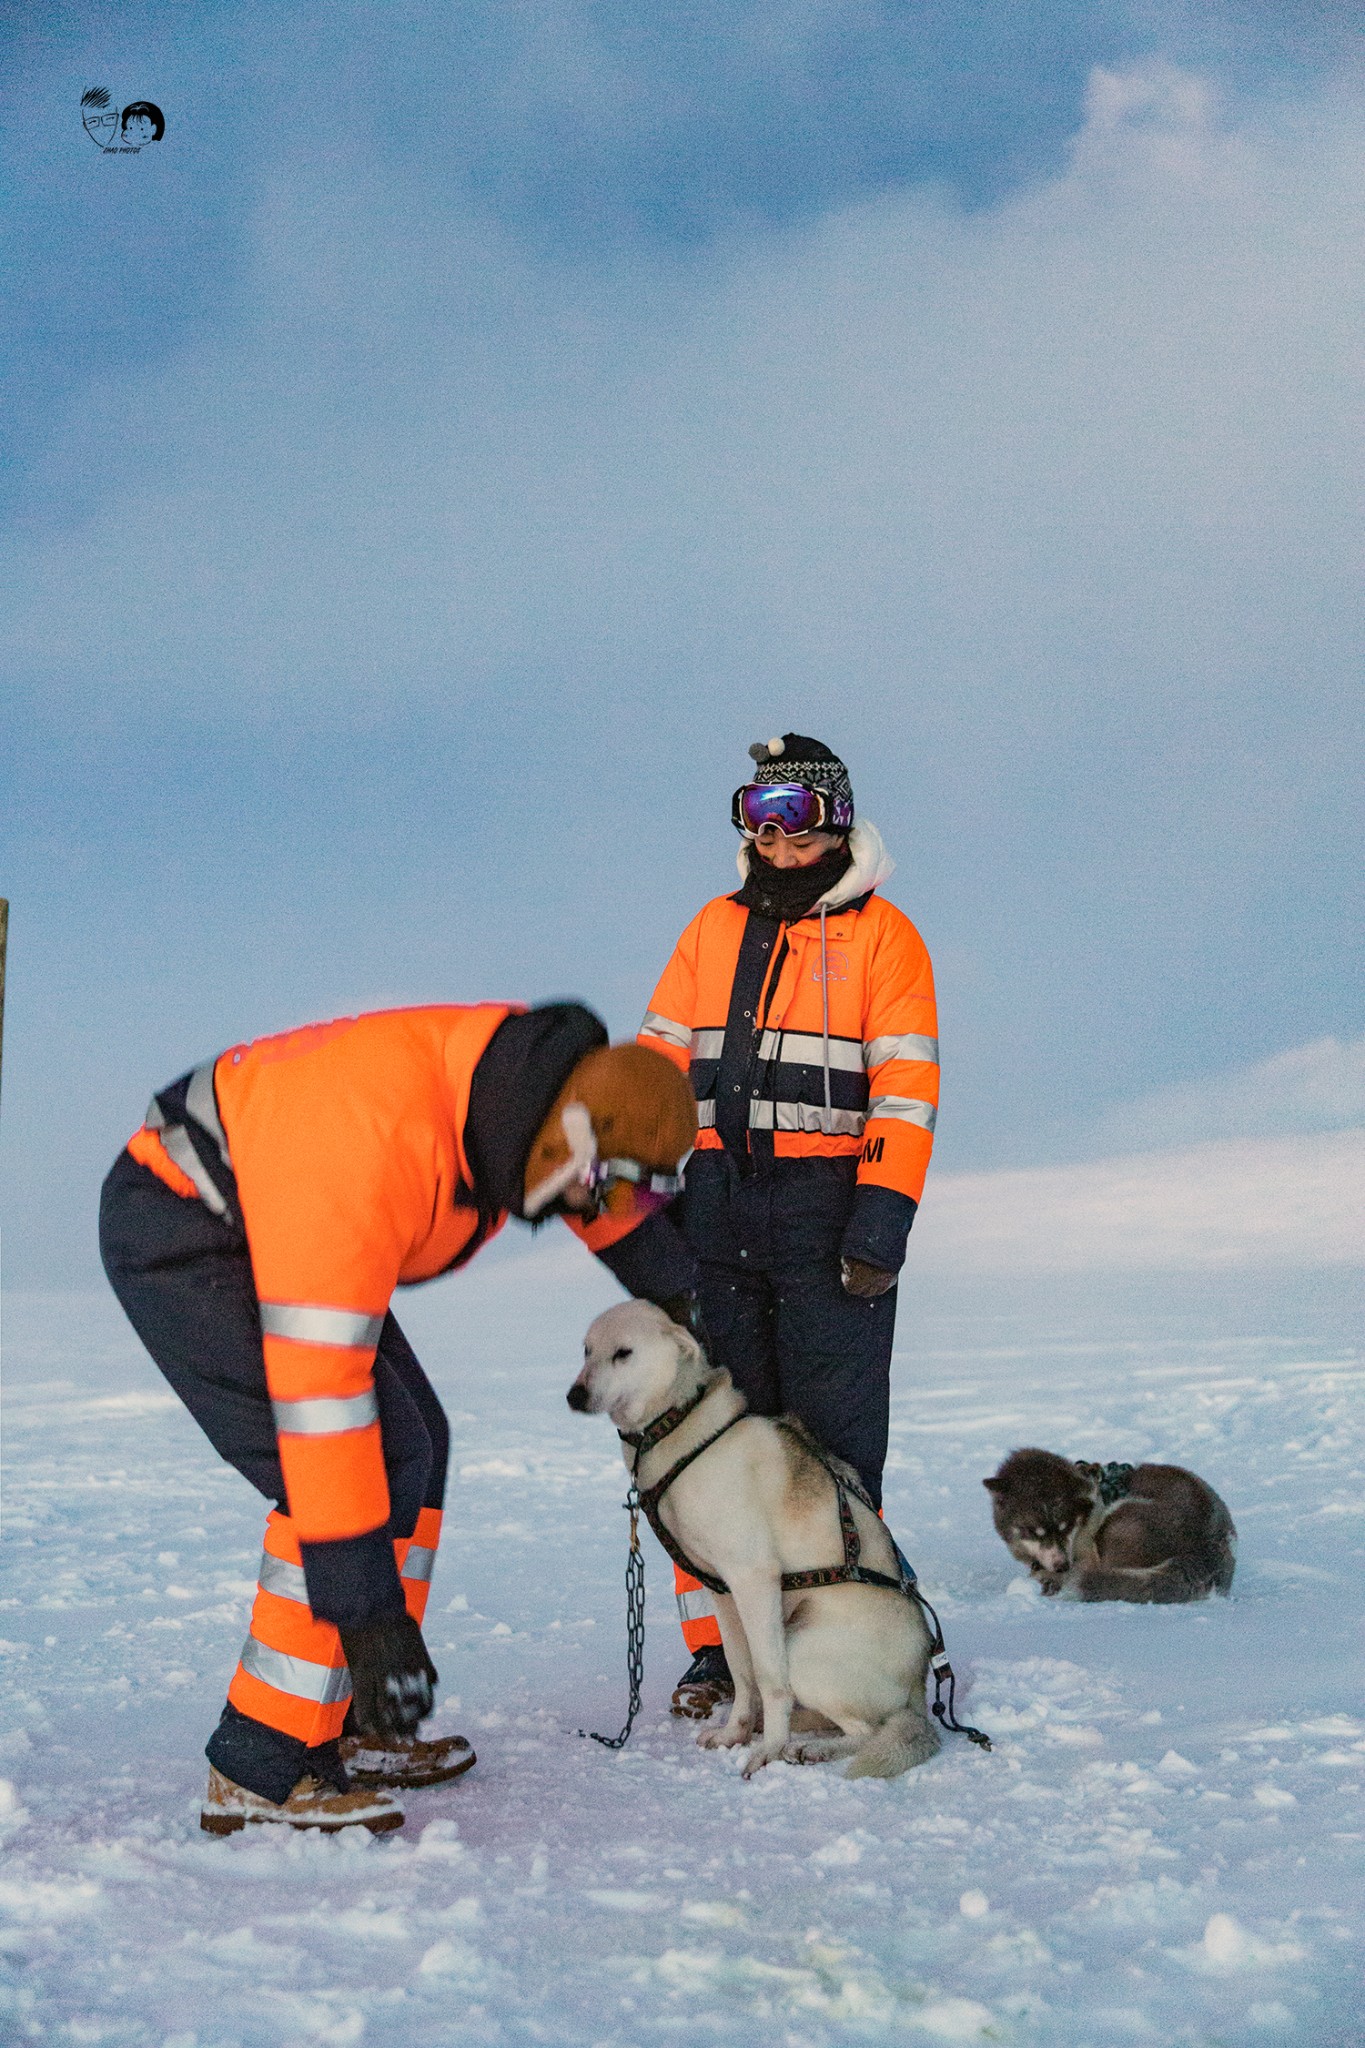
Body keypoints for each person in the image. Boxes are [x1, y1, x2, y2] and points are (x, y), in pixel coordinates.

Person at [99, 1000, 697, 1833]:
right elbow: (319, 1400)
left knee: (417, 1444)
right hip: (189, 1221)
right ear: (562, 1141)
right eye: (597, 1184)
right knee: (354, 1463)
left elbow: (603, 1191)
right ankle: (260, 1764)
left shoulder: (525, 1097)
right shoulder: (371, 1152)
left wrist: (688, 1301)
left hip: (278, 1204)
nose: (596, 1206)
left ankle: (359, 1720)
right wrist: (367, 1614)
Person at [639, 735, 939, 1717]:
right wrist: (635, 1189)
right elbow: (657, 1066)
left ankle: (852, 1633)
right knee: (711, 1438)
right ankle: (718, 1654)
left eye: (792, 812)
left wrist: (881, 1219)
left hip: (829, 1215)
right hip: (718, 1206)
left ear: (834, 817)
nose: (771, 834)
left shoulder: (884, 936)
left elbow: (904, 1089)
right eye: (754, 811)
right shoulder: (710, 929)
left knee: (833, 1447)